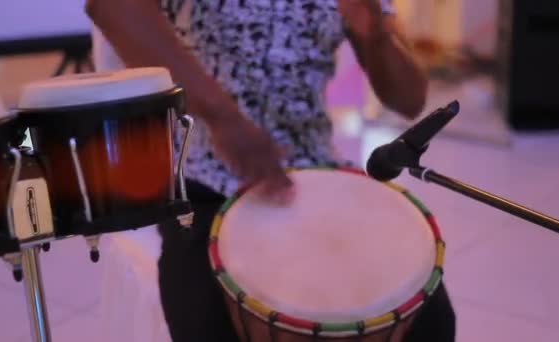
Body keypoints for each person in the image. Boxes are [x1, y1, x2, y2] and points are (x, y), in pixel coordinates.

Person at [85, 0, 456, 341]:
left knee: (431, 322)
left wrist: (377, 38)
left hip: (317, 177)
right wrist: (223, 117)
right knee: (209, 323)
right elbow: (113, 8)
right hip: (203, 181)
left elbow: (409, 99)